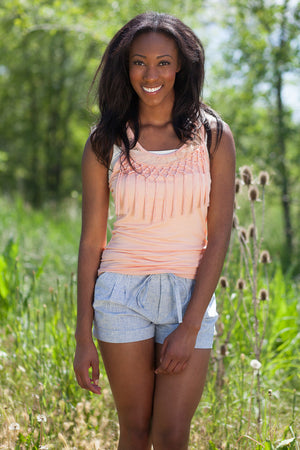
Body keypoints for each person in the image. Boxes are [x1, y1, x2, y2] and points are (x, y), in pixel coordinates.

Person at [73, 11, 235, 450]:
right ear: (125, 67)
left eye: (163, 62)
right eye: (139, 62)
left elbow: (218, 234)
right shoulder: (104, 141)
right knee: (136, 432)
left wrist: (191, 324)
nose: (151, 74)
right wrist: (82, 335)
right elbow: (92, 242)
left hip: (189, 293)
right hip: (120, 296)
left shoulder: (214, 137)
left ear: (181, 64)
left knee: (171, 436)